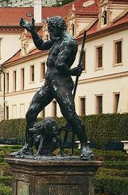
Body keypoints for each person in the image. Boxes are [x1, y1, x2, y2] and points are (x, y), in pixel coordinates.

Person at [14, 16, 93, 160]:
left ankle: (85, 146)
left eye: (51, 29)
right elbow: (41, 45)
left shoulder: (69, 43)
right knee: (31, 113)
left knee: (70, 115)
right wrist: (31, 31)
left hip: (61, 83)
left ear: (58, 27)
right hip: (49, 83)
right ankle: (27, 147)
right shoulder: (57, 41)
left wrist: (72, 72)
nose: (50, 32)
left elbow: (60, 64)